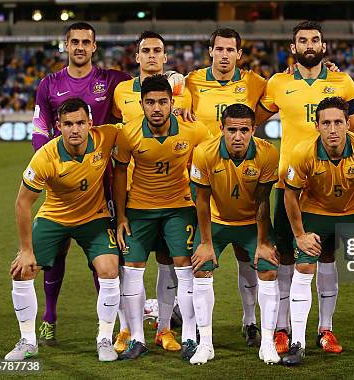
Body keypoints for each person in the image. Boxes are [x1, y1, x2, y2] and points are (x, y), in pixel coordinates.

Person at [257, 21, 354, 354]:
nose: (309, 44)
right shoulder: (278, 83)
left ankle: (325, 329)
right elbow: (253, 119)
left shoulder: (342, 82)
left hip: (331, 184)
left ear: (324, 46)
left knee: (326, 255)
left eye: (315, 39)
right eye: (303, 40)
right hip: (291, 183)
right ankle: (283, 329)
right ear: (293, 47)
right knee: (287, 257)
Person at [31, 22, 130, 345]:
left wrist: (173, 83)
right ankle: (48, 318)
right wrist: (50, 166)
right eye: (74, 41)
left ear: (94, 47)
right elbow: (40, 128)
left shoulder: (112, 80)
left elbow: (142, 92)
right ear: (66, 45)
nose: (80, 47)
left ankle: (110, 325)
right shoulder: (49, 84)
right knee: (55, 254)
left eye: (86, 42)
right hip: (62, 180)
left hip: (102, 181)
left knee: (103, 256)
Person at [6, 98, 121, 362]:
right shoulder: (46, 156)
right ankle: (27, 340)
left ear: (91, 123)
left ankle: (105, 339)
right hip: (54, 217)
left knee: (110, 269)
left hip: (94, 217)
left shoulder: (107, 136)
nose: (75, 129)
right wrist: (25, 250)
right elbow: (23, 202)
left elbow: (137, 127)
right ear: (58, 126)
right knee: (22, 270)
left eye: (81, 122)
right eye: (68, 124)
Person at [281, 97, 354, 366]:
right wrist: (300, 235)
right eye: (326, 123)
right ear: (316, 126)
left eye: (338, 122)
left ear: (348, 124)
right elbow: (290, 197)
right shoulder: (303, 151)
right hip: (315, 213)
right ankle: (298, 343)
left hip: (353, 212)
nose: (332, 129)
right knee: (304, 269)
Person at [112, 74, 209, 360]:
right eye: (150, 102)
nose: (157, 108)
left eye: (163, 102)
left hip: (179, 208)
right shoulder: (128, 133)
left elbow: (213, 153)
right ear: (141, 104)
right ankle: (137, 338)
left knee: (183, 267)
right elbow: (119, 173)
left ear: (172, 103)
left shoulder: (192, 130)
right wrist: (120, 216)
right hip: (139, 211)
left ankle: (189, 335)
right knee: (132, 269)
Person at [182, 28, 268, 346]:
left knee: (248, 259)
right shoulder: (190, 81)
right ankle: (184, 315)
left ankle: (250, 321)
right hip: (200, 179)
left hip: (242, 175)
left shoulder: (256, 83)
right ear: (211, 51)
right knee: (189, 254)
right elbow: (175, 103)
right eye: (219, 49)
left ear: (238, 55)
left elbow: (279, 98)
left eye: (230, 50)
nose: (224, 55)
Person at [188, 103, 281, 364]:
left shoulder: (267, 153)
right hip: (216, 222)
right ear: (221, 129)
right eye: (231, 130)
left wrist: (263, 242)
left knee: (269, 269)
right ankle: (205, 344)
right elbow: (202, 201)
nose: (237, 136)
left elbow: (264, 200)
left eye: (243, 130)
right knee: (201, 267)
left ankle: (268, 342)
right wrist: (205, 242)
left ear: (253, 130)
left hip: (251, 223)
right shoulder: (204, 153)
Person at [112, 30, 182, 354]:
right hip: (129, 192)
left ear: (165, 57)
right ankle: (127, 329)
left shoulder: (183, 90)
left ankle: (164, 329)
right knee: (128, 264)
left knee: (168, 261)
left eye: (157, 50)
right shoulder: (121, 91)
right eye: (145, 50)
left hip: (170, 194)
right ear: (136, 56)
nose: (151, 55)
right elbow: (116, 131)